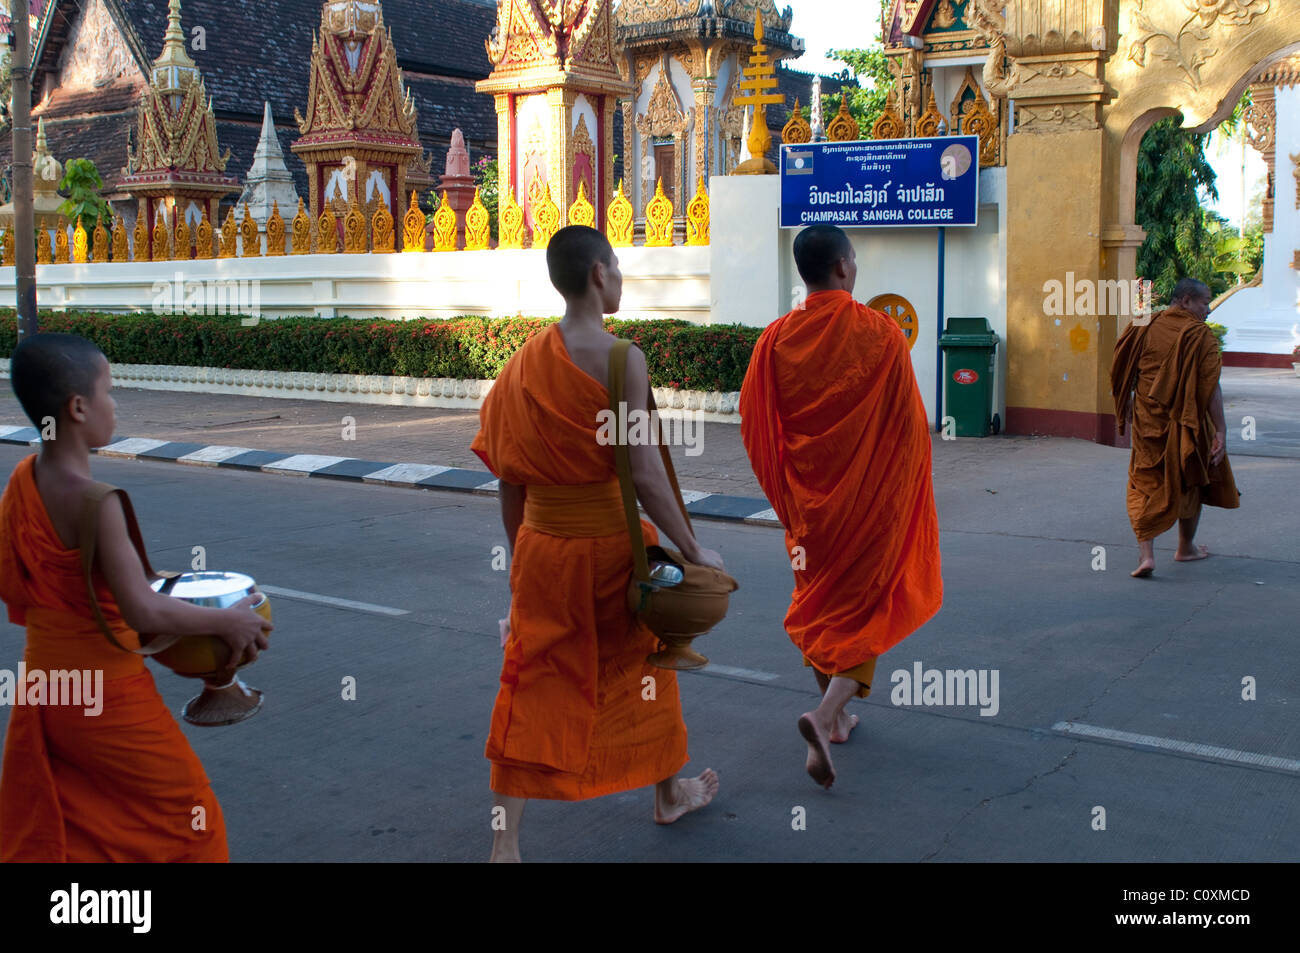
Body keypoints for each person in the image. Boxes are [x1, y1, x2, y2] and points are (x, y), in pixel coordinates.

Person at [471, 225, 723, 862]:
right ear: (597, 276)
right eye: (617, 266)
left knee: (529, 683)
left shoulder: (522, 363)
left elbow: (510, 477)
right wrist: (694, 552)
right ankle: (668, 795)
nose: (621, 277)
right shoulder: (620, 359)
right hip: (613, 552)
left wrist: (520, 564)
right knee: (643, 673)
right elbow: (643, 473)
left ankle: (506, 844)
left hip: (544, 552)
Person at [0, 333, 270, 862]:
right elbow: (140, 609)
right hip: (105, 696)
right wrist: (227, 624)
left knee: (85, 826)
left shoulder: (23, 481)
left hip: (46, 687)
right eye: (109, 391)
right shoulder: (96, 502)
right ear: (78, 408)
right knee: (190, 822)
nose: (115, 404)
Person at [739, 224, 943, 790]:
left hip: (809, 506)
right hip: (868, 504)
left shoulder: (775, 340)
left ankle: (839, 714)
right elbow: (909, 429)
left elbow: (755, 427)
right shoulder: (880, 333)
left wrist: (786, 494)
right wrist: (901, 495)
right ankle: (826, 715)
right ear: (844, 269)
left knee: (821, 603)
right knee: (867, 605)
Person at [1110, 277, 1239, 578]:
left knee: (1143, 482)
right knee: (1191, 477)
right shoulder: (1199, 335)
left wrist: (1127, 399)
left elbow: (1121, 368)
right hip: (1188, 421)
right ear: (1185, 301)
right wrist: (1220, 430)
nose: (1208, 310)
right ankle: (1185, 548)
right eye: (1204, 302)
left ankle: (1147, 556)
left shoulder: (1143, 325)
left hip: (1147, 420)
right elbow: (1211, 388)